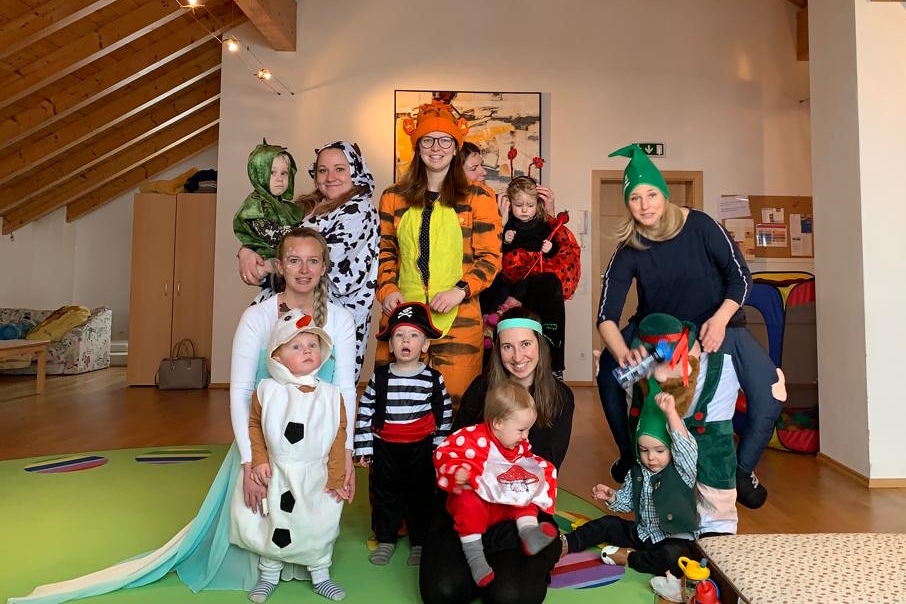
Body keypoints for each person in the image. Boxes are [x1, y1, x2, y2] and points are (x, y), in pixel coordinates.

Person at [9, 229, 358, 604]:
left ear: (324, 267)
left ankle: (316, 567)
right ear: (280, 266)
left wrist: (347, 453)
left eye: (313, 261)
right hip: (266, 450)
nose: (303, 269)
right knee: (261, 518)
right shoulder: (258, 317)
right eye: (294, 260)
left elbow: (345, 391)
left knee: (316, 514)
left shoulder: (340, 319)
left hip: (318, 451)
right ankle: (268, 571)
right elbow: (241, 392)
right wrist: (248, 460)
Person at [597, 142, 782, 508]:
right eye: (635, 198)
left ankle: (742, 469)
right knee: (608, 374)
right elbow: (606, 316)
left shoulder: (701, 225)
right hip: (663, 335)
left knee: (770, 392)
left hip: (721, 324)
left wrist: (721, 318)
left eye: (651, 195)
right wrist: (622, 354)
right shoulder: (630, 246)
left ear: (664, 194)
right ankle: (629, 454)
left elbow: (741, 279)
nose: (645, 205)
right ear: (627, 204)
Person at [419, 309, 574, 604]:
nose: (517, 356)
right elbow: (456, 450)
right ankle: (477, 553)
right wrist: (464, 479)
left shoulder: (560, 397)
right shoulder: (481, 389)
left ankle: (537, 548)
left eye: (525, 344)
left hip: (519, 507)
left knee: (508, 596)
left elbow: (544, 466)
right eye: (507, 346)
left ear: (540, 345)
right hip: (470, 504)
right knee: (443, 593)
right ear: (497, 349)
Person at [377, 100, 502, 410]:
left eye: (445, 140)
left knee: (457, 405)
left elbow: (490, 258)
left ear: (456, 147)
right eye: (428, 140)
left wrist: (460, 291)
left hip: (460, 319)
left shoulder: (479, 197)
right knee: (395, 404)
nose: (436, 148)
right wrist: (388, 289)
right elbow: (386, 251)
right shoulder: (393, 197)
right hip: (402, 319)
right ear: (417, 146)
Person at [230, 310, 348, 602]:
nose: (306, 350)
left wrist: (336, 475)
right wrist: (259, 460)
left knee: (319, 524)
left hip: (316, 474)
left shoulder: (331, 396)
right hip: (278, 471)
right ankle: (269, 575)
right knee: (275, 521)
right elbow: (255, 426)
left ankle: (321, 574)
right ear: (277, 357)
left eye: (312, 345)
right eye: (296, 346)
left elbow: (339, 433)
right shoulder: (267, 391)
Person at [239, 141, 378, 381]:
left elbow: (323, 259)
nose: (330, 177)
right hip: (290, 307)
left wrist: (266, 265)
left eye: (340, 169)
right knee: (276, 384)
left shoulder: (359, 210)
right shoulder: (309, 207)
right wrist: (247, 249)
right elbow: (271, 236)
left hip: (327, 315)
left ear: (355, 170)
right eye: (323, 170)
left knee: (322, 387)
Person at [560, 387, 698, 581]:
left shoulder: (682, 470)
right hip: (642, 533)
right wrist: (612, 496)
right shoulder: (637, 472)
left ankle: (629, 558)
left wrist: (671, 414)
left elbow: (686, 447)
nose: (651, 457)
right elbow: (627, 502)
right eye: (644, 450)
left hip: (672, 540)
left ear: (671, 448)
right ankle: (566, 543)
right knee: (608, 524)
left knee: (674, 560)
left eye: (659, 451)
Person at [353, 302, 453, 567]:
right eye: (399, 335)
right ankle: (386, 539)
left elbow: (443, 412)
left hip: (421, 447)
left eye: (413, 335)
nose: (405, 340)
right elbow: (365, 410)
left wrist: (439, 446)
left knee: (421, 495)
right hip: (385, 447)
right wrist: (364, 446)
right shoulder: (380, 377)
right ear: (391, 343)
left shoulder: (433, 378)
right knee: (385, 494)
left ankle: (419, 542)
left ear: (425, 345)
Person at [435, 381, 559, 587]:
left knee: (524, 496)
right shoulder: (471, 438)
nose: (526, 436)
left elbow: (525, 463)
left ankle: (529, 534)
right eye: (521, 430)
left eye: (528, 430)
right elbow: (445, 453)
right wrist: (457, 471)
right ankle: (476, 558)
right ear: (498, 423)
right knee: (467, 502)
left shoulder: (518, 443)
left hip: (501, 506)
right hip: (478, 506)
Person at [489, 175, 581, 376]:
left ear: (537, 204)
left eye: (529, 205)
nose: (524, 210)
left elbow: (557, 248)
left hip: (535, 275)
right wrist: (505, 236)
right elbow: (496, 252)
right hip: (510, 275)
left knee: (538, 280)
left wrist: (550, 248)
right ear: (510, 204)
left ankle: (554, 365)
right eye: (518, 205)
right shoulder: (509, 224)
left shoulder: (543, 223)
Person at [233, 141, 303, 289]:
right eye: (272, 173)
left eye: (284, 173)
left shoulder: (286, 206)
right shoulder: (256, 205)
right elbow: (270, 234)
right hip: (268, 255)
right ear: (259, 173)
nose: (279, 178)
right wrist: (301, 234)